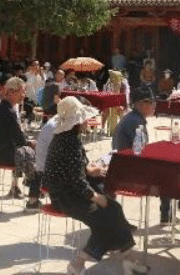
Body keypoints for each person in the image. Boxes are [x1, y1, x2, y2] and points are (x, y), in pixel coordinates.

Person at [44, 96, 148, 275]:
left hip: (69, 191)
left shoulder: (66, 137)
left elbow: (73, 169)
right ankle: (78, 263)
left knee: (114, 209)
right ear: (76, 122)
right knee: (104, 221)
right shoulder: (69, 141)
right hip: (65, 196)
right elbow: (76, 181)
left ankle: (129, 259)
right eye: (83, 118)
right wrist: (96, 197)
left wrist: (89, 169)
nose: (86, 121)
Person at [112, 87, 173, 225]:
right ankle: (166, 215)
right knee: (168, 173)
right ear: (139, 104)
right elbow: (142, 153)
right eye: (151, 102)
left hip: (124, 165)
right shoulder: (135, 122)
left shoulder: (133, 118)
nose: (154, 105)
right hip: (129, 171)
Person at [0, 76, 41, 209]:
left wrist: (28, 141)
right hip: (5, 154)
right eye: (22, 91)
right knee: (41, 159)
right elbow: (19, 138)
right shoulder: (7, 110)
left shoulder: (6, 107)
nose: (24, 94)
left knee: (33, 151)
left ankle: (30, 186)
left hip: (3, 151)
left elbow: (17, 135)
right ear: (11, 92)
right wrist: (30, 143)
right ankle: (33, 199)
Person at [102, 69, 129, 136]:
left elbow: (124, 95)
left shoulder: (122, 84)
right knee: (105, 111)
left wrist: (123, 105)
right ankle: (103, 128)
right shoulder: (108, 83)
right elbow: (105, 92)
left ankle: (122, 129)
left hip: (120, 102)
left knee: (119, 111)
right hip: (109, 101)